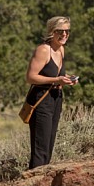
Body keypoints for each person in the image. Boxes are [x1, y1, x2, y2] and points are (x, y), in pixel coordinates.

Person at [25, 16, 78, 169]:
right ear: (51, 32)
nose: (64, 35)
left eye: (67, 31)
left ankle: (42, 181)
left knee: (49, 144)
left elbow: (55, 75)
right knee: (40, 146)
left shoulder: (61, 49)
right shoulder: (43, 50)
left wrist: (68, 79)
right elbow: (30, 77)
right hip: (42, 99)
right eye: (60, 31)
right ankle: (32, 183)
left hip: (57, 98)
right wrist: (57, 80)